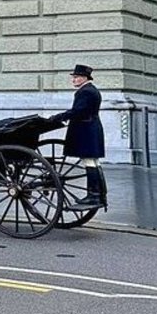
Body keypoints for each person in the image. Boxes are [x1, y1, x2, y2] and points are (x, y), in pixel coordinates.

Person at [52, 64, 107, 211]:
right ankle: (100, 194)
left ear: (84, 78)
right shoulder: (92, 90)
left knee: (89, 161)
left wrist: (60, 117)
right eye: (74, 77)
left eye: (76, 77)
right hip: (91, 127)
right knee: (93, 161)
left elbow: (78, 111)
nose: (73, 80)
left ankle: (93, 195)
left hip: (86, 129)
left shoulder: (85, 92)